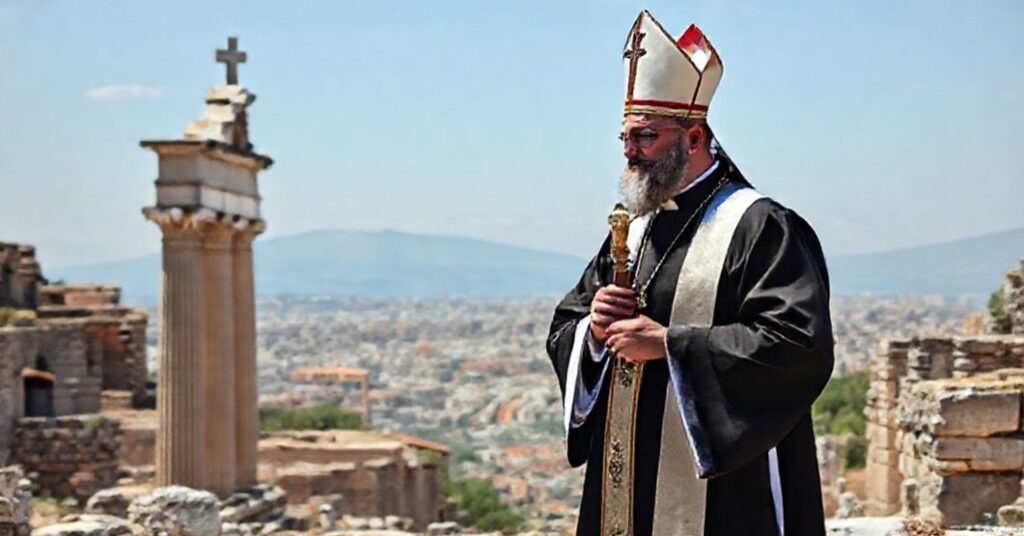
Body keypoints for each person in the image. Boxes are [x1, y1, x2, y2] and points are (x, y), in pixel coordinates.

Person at [546, 10, 834, 535]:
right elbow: (566, 324)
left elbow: (797, 346)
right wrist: (595, 328)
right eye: (626, 138)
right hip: (626, 480)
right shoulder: (633, 229)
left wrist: (670, 345)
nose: (631, 152)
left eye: (646, 136)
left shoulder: (759, 226)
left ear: (694, 138)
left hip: (725, 491)